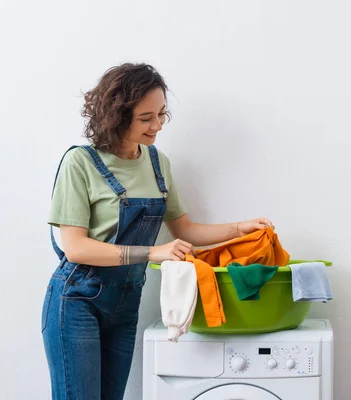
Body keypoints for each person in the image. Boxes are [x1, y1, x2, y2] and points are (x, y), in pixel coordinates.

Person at [41, 63, 272, 400]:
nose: (158, 125)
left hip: (125, 303)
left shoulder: (157, 162)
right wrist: (153, 252)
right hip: (76, 301)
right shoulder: (81, 163)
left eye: (162, 114)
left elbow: (186, 229)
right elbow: (75, 248)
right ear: (117, 115)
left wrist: (240, 228)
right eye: (146, 117)